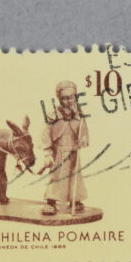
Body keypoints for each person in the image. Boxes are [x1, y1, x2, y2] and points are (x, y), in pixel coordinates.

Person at [40, 80, 89, 215]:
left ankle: (75, 201)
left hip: (74, 152)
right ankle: (51, 202)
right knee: (57, 177)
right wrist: (47, 153)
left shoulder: (79, 115)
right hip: (59, 153)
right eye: (65, 98)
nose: (68, 101)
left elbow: (84, 132)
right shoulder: (52, 115)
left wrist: (83, 139)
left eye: (71, 97)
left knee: (75, 177)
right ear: (59, 98)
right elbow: (45, 135)